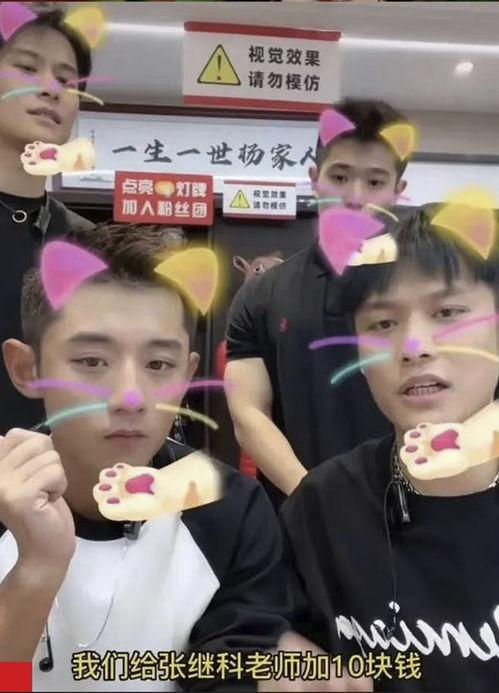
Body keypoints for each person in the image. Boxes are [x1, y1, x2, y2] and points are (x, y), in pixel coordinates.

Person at [0, 223, 291, 692]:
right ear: (27, 369)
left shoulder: (226, 509)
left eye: (158, 365)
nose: (131, 397)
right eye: (92, 361)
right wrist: (35, 572)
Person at [281, 206, 499, 691]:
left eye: (447, 313)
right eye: (382, 323)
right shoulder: (323, 504)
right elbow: (246, 628)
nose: (414, 347)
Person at [224, 98, 409, 507]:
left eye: (375, 182)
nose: (355, 197)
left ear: (398, 191)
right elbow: (248, 415)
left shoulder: (432, 294)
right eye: (340, 176)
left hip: (419, 510)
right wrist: (315, 499)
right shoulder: (261, 294)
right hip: (299, 510)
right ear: (314, 178)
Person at [0, 6, 94, 434]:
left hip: (64, 469)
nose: (51, 89)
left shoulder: (89, 244)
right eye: (26, 67)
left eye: (66, 80)